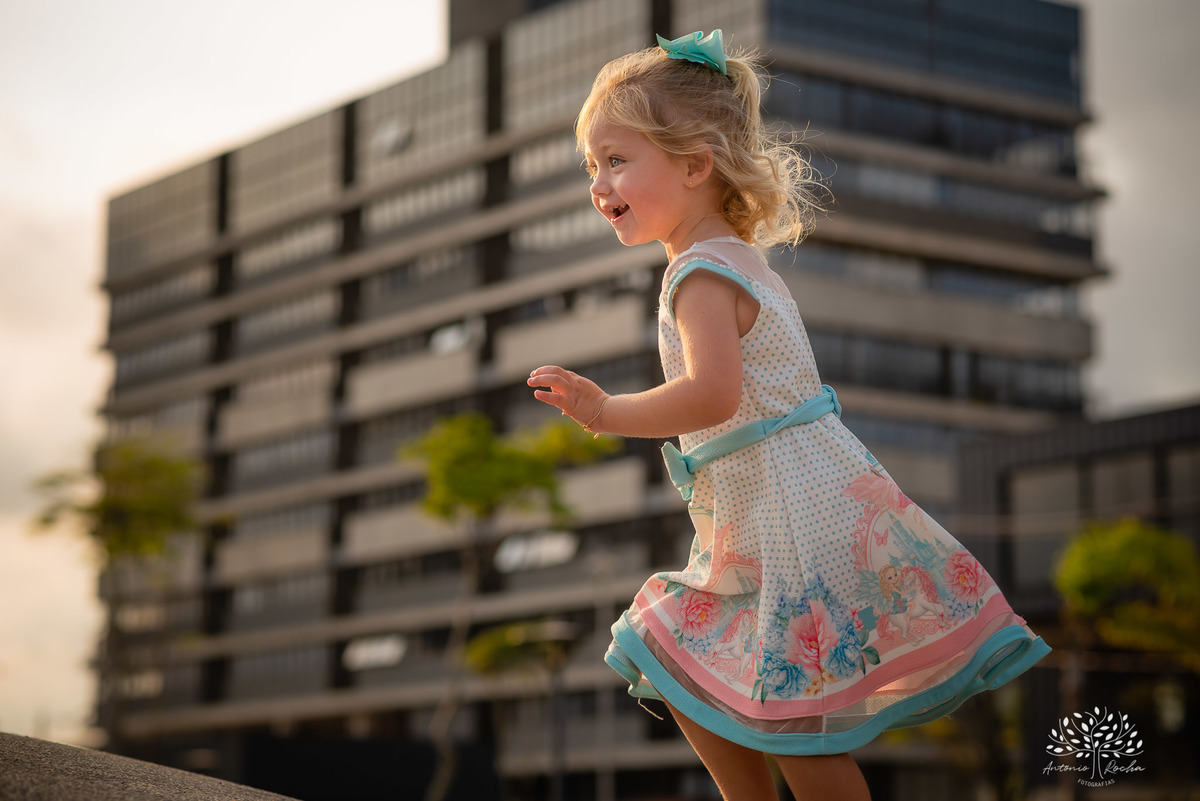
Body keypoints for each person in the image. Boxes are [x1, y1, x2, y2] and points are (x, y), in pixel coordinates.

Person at [527, 30, 1050, 801]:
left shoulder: (699, 273)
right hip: (785, 503)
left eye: (616, 159)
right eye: (591, 166)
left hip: (787, 518)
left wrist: (607, 410)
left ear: (696, 163)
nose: (599, 183)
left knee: (780, 710)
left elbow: (715, 394)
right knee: (682, 651)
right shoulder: (739, 255)